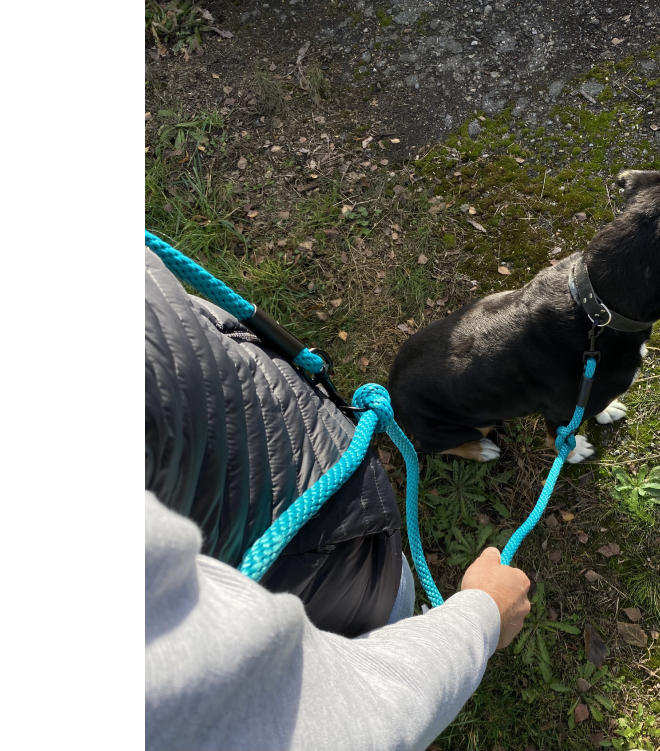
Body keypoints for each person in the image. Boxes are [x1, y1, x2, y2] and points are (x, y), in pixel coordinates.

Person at [145, 247, 532, 750]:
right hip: (331, 579)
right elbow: (330, 724)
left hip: (322, 506)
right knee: (388, 606)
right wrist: (480, 619)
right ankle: (399, 622)